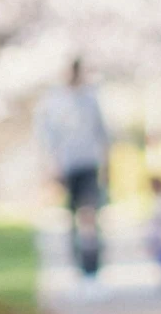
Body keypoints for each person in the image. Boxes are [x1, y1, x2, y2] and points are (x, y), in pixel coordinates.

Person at [37, 58, 110, 277]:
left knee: (88, 215)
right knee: (72, 219)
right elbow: (48, 136)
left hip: (88, 163)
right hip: (66, 166)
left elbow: (102, 132)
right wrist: (52, 166)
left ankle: (92, 267)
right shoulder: (55, 101)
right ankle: (77, 266)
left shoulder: (91, 99)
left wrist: (106, 164)